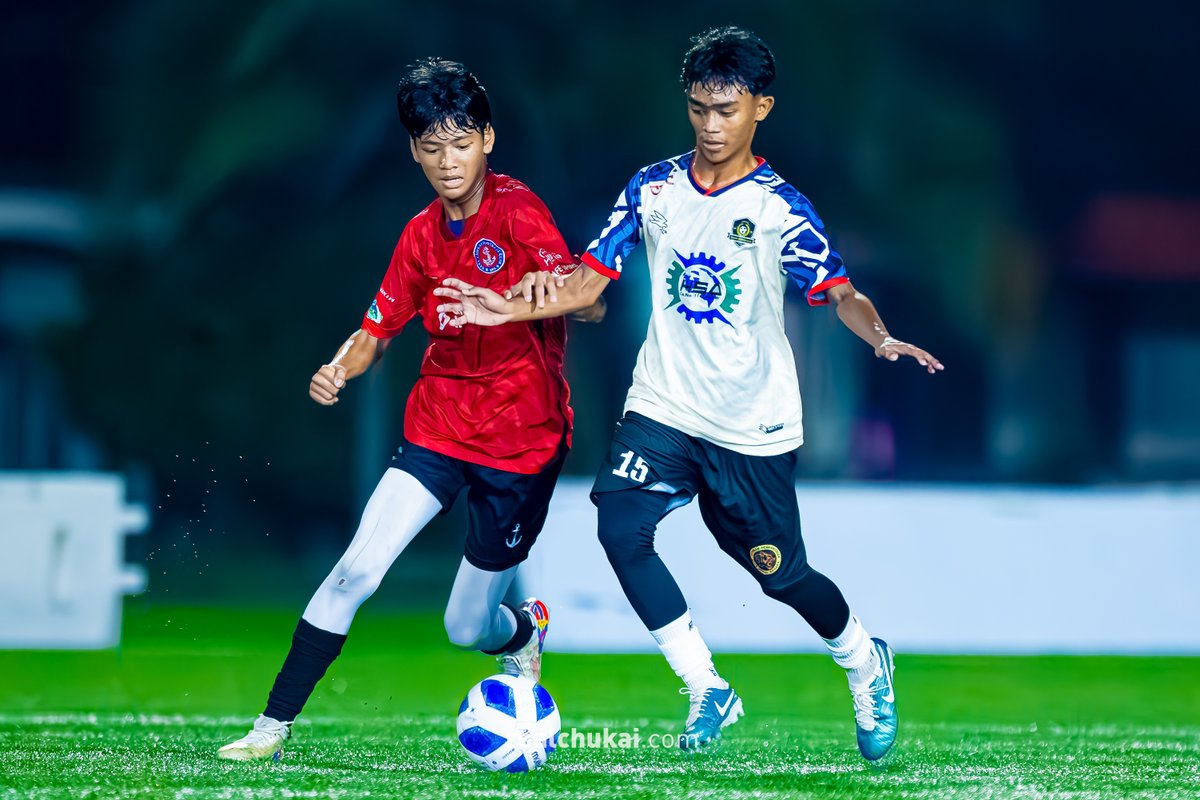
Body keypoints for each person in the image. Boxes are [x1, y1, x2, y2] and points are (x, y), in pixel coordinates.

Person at [433, 26, 942, 762]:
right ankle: (707, 686)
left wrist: (881, 336)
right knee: (619, 528)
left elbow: (841, 293)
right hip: (663, 408)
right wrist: (502, 306)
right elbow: (586, 281)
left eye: (727, 110)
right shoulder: (652, 187)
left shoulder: (778, 209)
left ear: (761, 107)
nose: (710, 125)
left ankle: (864, 660)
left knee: (780, 575)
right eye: (699, 108)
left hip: (750, 427)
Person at [217, 57, 604, 761]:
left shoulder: (519, 211)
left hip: (523, 445)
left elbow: (592, 296)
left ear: (487, 139)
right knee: (353, 573)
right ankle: (269, 730)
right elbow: (375, 328)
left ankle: (523, 632)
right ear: (413, 150)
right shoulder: (420, 235)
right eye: (431, 147)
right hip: (437, 430)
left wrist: (509, 306)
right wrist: (339, 367)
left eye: (461, 143)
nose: (447, 161)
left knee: (465, 628)